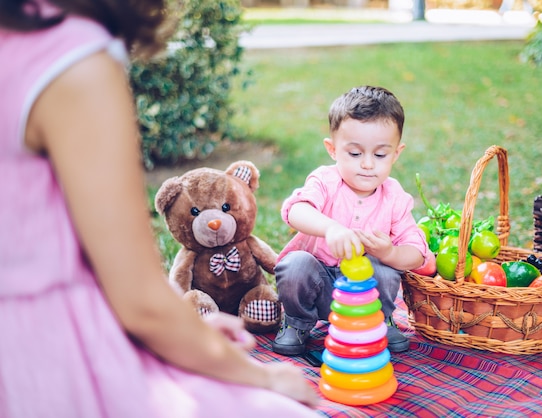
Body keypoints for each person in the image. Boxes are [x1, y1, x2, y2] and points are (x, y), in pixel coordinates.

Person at [0, 1, 319, 417]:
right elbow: (141, 302)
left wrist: (188, 325)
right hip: (52, 359)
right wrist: (263, 377)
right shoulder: (71, 60)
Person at [271, 86, 433, 356]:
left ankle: (379, 322)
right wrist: (330, 228)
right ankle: (297, 323)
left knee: (384, 266)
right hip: (319, 284)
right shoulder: (325, 180)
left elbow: (417, 252)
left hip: (366, 297)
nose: (368, 164)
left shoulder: (394, 197)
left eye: (380, 155)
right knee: (295, 265)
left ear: (396, 153)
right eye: (355, 154)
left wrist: (390, 252)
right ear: (333, 149)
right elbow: (295, 209)